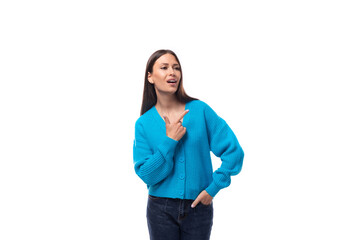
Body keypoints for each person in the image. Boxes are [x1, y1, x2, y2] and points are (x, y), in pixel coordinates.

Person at [132, 49, 244, 240]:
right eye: (164, 67)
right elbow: (147, 175)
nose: (172, 73)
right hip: (160, 210)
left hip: (198, 208)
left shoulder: (200, 111)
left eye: (176, 68)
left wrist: (213, 187)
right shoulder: (143, 123)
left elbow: (234, 153)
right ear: (150, 77)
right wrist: (170, 141)